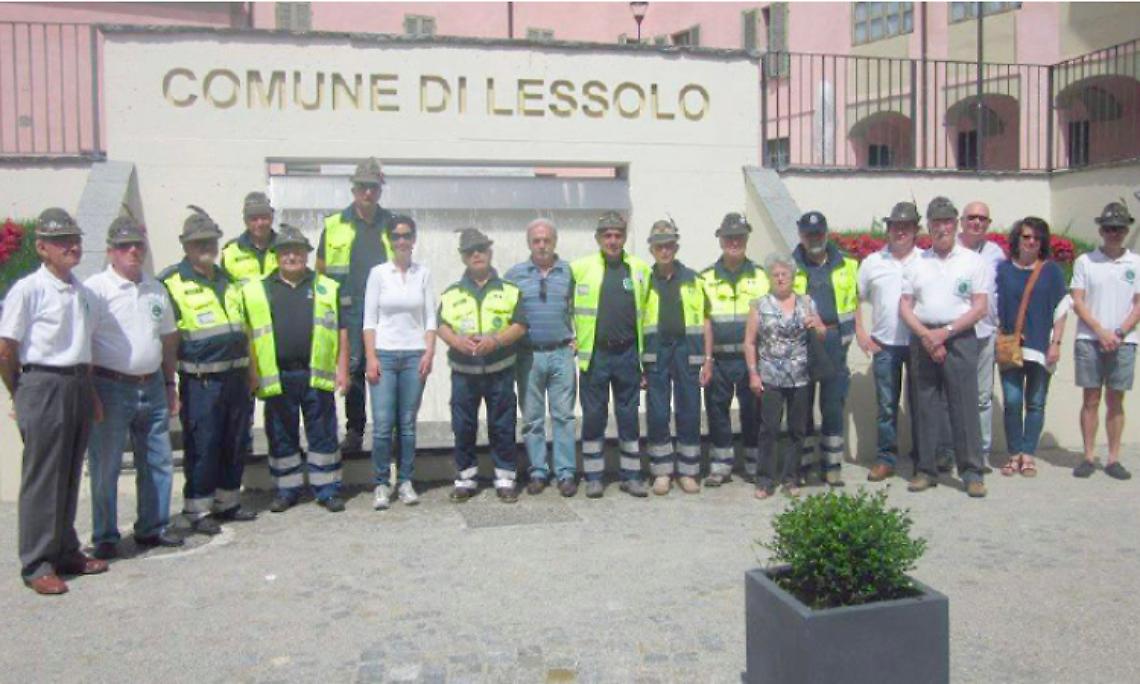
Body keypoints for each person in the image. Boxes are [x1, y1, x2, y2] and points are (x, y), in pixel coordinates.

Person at [0, 208, 108, 595]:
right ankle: (37, 562)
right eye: (62, 241)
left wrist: (91, 393)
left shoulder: (83, 292)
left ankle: (65, 550)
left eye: (75, 239)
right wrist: (21, 392)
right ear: (41, 247)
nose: (72, 246)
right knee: (43, 476)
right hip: (43, 382)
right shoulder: (28, 290)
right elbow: (6, 348)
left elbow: (83, 346)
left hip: (77, 383)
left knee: (69, 471)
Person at [85, 214, 183, 560]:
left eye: (138, 245)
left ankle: (152, 527)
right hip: (110, 386)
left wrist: (170, 383)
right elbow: (83, 342)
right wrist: (90, 391)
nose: (133, 251)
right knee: (106, 463)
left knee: (158, 459)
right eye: (125, 246)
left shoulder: (155, 288)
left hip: (153, 384)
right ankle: (106, 534)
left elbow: (169, 339)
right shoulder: (96, 289)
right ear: (111, 251)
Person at [160, 206, 258, 534]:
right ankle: (198, 509)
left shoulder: (229, 282)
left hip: (235, 377)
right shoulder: (171, 283)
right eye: (199, 242)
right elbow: (168, 339)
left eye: (211, 241)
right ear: (185, 245)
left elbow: (244, 329)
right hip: (201, 381)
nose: (207, 248)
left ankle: (227, 502)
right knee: (204, 443)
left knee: (234, 441)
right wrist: (169, 383)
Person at [242, 225, 350, 513]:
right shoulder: (257, 290)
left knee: (323, 433)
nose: (292, 256)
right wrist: (252, 372)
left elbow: (341, 331)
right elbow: (249, 334)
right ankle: (286, 490)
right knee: (280, 433)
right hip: (278, 375)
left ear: (307, 254)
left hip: (316, 373)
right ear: (276, 256)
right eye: (286, 251)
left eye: (298, 251)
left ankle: (327, 489)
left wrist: (342, 369)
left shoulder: (326, 287)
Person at [899, 196, 989, 498]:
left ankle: (972, 472)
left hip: (960, 338)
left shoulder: (973, 262)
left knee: (964, 406)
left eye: (947, 221)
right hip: (923, 337)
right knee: (924, 406)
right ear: (929, 227)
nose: (942, 228)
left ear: (956, 224)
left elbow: (979, 307)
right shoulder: (916, 263)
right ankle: (926, 470)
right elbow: (906, 307)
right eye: (937, 222)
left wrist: (945, 333)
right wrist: (927, 335)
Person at [436, 228, 527, 503]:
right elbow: (441, 325)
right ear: (463, 258)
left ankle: (505, 478)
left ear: (489, 252)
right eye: (470, 251)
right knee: (463, 426)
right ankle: (465, 479)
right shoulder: (451, 293)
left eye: (481, 249)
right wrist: (456, 341)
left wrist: (496, 341)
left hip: (500, 370)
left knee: (503, 425)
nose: (476, 254)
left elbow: (520, 325)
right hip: (464, 373)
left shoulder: (510, 291)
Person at [571, 211, 652, 498]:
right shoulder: (579, 268)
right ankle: (594, 475)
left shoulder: (641, 269)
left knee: (628, 416)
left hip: (628, 353)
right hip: (595, 355)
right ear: (598, 238)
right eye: (607, 235)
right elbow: (561, 304)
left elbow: (649, 312)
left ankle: (632, 475)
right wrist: (569, 336)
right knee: (593, 416)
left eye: (618, 235)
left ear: (625, 237)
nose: (613, 240)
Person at [316, 157, 394, 454]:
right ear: (354, 189)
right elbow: (321, 271)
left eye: (373, 187)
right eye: (363, 187)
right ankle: (355, 431)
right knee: (354, 371)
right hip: (348, 309)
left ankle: (389, 431)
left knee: (387, 368)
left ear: (380, 190)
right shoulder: (334, 225)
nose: (368, 193)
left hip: (385, 310)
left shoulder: (392, 224)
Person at [363, 215, 436, 510]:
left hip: (414, 355)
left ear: (414, 239)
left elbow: (430, 317)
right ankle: (381, 483)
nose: (402, 241)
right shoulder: (378, 273)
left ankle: (405, 481)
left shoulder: (424, 274)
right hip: (384, 354)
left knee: (406, 424)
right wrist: (370, 357)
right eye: (396, 236)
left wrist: (429, 353)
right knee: (382, 424)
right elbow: (369, 319)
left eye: (406, 235)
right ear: (389, 240)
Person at [505, 218, 578, 497]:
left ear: (555, 242)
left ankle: (566, 473)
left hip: (561, 353)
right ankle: (537, 471)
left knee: (564, 416)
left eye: (547, 240)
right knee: (533, 418)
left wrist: (578, 339)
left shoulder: (569, 272)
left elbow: (581, 307)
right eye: (536, 240)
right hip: (528, 355)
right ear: (529, 244)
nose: (542, 245)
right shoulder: (515, 275)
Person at [745, 253, 826, 499]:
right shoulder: (760, 305)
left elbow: (822, 333)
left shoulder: (806, 302)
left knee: (797, 429)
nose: (780, 279)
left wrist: (817, 326)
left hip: (801, 376)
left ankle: (791, 478)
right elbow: (749, 343)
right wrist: (753, 374)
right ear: (770, 278)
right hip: (771, 376)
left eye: (785, 274)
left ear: (792, 277)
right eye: (776, 275)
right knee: (769, 429)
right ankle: (765, 480)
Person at [641, 220, 713, 495]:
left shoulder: (695, 279)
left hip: (688, 352)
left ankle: (688, 471)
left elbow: (706, 320)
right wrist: (640, 364)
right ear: (651, 249)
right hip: (656, 353)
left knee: (690, 411)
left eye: (669, 245)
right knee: (658, 413)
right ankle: (661, 472)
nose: (664, 250)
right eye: (659, 245)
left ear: (676, 247)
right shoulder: (642, 280)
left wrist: (708, 359)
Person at [1069, 202, 1140, 480]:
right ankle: (1088, 456)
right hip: (1090, 338)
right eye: (1109, 228)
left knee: (1116, 399)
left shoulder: (1136, 262)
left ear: (1126, 230)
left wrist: (1119, 332)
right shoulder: (1085, 262)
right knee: (1091, 398)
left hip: (1124, 340)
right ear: (1101, 230)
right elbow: (1078, 300)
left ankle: (1113, 458)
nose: (1114, 233)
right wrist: (1100, 330)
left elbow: (1137, 305)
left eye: (1119, 228)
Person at [995, 217, 1067, 478]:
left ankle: (1028, 455)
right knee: (1013, 402)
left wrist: (1056, 343)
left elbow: (1061, 310)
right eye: (1026, 237)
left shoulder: (1052, 272)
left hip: (1041, 347)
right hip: (1010, 346)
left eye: (1037, 238)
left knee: (1035, 403)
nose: (1031, 242)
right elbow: (993, 306)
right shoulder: (1003, 270)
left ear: (1043, 242)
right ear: (1017, 239)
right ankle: (1013, 454)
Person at [699, 213, 769, 485]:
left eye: (739, 237)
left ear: (747, 239)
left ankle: (752, 463)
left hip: (752, 359)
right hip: (719, 358)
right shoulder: (705, 278)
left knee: (753, 412)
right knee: (717, 411)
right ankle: (721, 465)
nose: (734, 242)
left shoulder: (762, 277)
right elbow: (704, 319)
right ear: (720, 240)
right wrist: (706, 359)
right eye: (729, 237)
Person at [855, 202, 921, 482]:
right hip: (884, 343)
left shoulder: (926, 259)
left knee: (922, 404)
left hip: (919, 342)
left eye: (906, 226)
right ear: (889, 229)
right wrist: (861, 331)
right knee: (886, 406)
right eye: (895, 226)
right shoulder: (873, 262)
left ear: (916, 229)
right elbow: (855, 298)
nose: (900, 231)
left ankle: (924, 457)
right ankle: (886, 458)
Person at [792, 210, 858, 487]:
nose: (814, 238)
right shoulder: (790, 264)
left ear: (826, 233)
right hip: (801, 343)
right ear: (801, 236)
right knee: (802, 406)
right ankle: (806, 466)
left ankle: (832, 466)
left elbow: (857, 303)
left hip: (833, 341)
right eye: (809, 234)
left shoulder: (848, 264)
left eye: (818, 233)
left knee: (832, 406)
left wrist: (855, 335)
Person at [221, 191, 279, 460]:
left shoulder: (285, 246)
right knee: (244, 399)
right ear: (246, 221)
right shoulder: (230, 253)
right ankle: (242, 454)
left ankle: (278, 451)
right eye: (254, 218)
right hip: (244, 337)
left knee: (277, 399)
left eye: (264, 217)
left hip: (277, 336)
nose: (260, 224)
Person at [958, 201, 1006, 469]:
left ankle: (982, 452)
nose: (977, 222)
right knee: (949, 395)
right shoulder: (948, 250)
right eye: (972, 217)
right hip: (955, 335)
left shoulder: (996, 254)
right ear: (962, 221)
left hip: (985, 334)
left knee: (982, 398)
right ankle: (950, 450)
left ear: (988, 224)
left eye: (982, 219)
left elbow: (1001, 294)